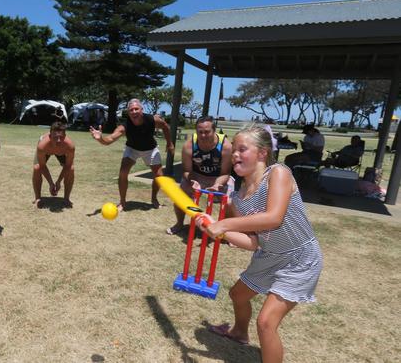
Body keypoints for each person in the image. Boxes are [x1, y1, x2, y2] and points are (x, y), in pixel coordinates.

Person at [196, 125, 323, 363]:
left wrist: (224, 225)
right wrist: (215, 229)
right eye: (233, 150)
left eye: (242, 149)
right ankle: (239, 333)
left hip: (300, 258)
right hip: (269, 255)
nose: (234, 154)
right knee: (238, 295)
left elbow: (273, 217)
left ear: (262, 153)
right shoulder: (238, 197)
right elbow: (253, 242)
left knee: (266, 322)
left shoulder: (278, 173)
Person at [89, 99, 174, 211]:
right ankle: (122, 203)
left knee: (159, 176)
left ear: (141, 110)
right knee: (123, 172)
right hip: (132, 149)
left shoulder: (152, 120)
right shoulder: (124, 127)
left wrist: (169, 143)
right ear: (128, 113)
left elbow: (165, 127)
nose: (134, 112)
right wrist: (100, 139)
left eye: (136, 109)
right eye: (131, 110)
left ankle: (154, 199)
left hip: (150, 149)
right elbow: (110, 139)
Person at [166, 116, 232, 235]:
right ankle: (179, 224)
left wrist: (217, 184)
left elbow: (225, 173)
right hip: (196, 176)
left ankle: (227, 231)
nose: (203, 136)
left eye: (207, 132)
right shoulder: (189, 145)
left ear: (214, 130)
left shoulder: (226, 146)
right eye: (200, 132)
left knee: (230, 203)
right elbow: (186, 170)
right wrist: (192, 181)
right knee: (180, 197)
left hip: (218, 177)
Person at [32, 121, 75, 208]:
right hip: (47, 150)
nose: (58, 140)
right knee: (37, 168)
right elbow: (42, 166)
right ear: (50, 136)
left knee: (71, 169)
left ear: (65, 136)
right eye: (55, 137)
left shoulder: (70, 146)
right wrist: (51, 183)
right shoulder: (42, 146)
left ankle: (66, 198)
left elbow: (68, 166)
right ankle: (37, 198)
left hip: (62, 152)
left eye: (61, 137)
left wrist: (58, 182)